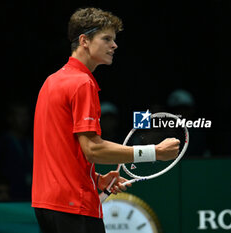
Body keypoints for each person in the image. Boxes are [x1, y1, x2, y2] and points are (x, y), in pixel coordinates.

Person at [32, 8, 179, 233]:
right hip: (74, 205)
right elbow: (93, 149)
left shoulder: (51, 82)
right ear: (84, 41)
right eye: (107, 39)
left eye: (114, 39)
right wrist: (154, 152)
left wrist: (95, 178)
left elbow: (61, 150)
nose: (114, 45)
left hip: (46, 203)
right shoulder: (82, 84)